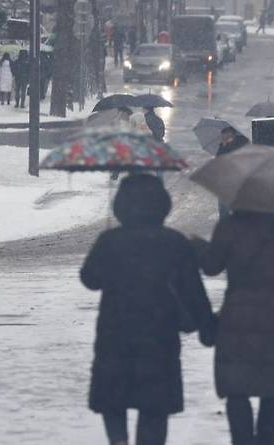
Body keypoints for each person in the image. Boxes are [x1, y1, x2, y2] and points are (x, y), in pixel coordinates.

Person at [80, 174, 216, 445]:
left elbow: (90, 279)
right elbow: (192, 291)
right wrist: (207, 326)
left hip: (115, 330)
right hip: (159, 332)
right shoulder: (174, 242)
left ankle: (118, 440)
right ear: (162, 204)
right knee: (154, 403)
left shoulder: (110, 240)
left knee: (114, 398)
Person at [192, 211, 274, 445]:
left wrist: (198, 246)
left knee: (237, 388)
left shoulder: (230, 226)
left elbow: (211, 266)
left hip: (239, 315)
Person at [216, 127, 249, 220]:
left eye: (223, 135)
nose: (221, 137)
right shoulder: (223, 145)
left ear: (230, 134)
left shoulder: (241, 143)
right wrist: (223, 146)